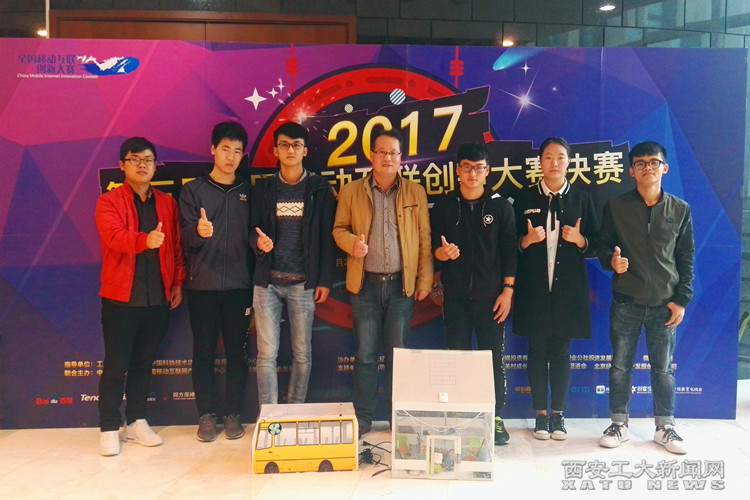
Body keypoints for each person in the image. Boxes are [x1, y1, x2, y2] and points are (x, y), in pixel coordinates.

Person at [332, 128, 433, 437]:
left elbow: (425, 240)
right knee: (365, 355)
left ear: (401, 158)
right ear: (371, 156)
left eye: (394, 153)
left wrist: (424, 280)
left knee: (398, 356)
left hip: (402, 286)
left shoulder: (415, 192)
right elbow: (338, 229)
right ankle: (363, 418)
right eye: (382, 152)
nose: (388, 158)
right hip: (365, 286)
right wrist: (351, 244)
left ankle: (396, 416)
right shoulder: (352, 191)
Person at [597, 141, 694, 455]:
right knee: (620, 366)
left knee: (662, 369)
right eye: (640, 163)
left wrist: (682, 300)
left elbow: (686, 257)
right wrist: (611, 262)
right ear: (631, 171)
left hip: (664, 304)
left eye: (654, 162)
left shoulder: (679, 209)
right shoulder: (616, 206)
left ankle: (665, 427)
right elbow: (602, 246)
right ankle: (619, 424)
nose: (647, 168)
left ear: (665, 167)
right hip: (626, 300)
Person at [95, 137, 185, 456]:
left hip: (157, 297)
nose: (142, 165)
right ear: (122, 165)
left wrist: (177, 282)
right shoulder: (108, 202)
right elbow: (114, 237)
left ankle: (135, 421)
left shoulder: (167, 203)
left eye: (148, 159)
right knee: (116, 365)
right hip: (121, 299)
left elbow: (175, 246)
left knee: (143, 364)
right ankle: (108, 426)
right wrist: (144, 241)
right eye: (135, 159)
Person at [430, 142, 517, 446]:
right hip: (454, 297)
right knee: (457, 359)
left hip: (491, 297)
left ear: (487, 171)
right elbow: (431, 247)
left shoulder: (501, 207)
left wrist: (507, 291)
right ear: (457, 170)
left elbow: (509, 251)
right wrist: (441, 254)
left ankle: (495, 417)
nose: (472, 174)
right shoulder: (444, 206)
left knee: (492, 359)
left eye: (478, 168)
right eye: (466, 167)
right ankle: (459, 415)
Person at [512, 137, 598, 441]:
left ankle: (558, 415)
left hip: (568, 291)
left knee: (561, 352)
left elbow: (597, 244)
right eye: (548, 157)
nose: (554, 163)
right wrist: (526, 241)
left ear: (569, 162)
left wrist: (579, 240)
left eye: (560, 157)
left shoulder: (582, 198)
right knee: (536, 351)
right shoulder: (523, 198)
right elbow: (509, 244)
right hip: (534, 289)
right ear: (540, 162)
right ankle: (540, 415)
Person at [250, 122, 337, 405]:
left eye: (296, 145)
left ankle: (294, 410)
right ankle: (269, 415)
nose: (290, 150)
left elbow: (328, 237)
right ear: (275, 150)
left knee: (302, 352)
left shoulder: (319, 188)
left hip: (303, 283)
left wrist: (324, 280)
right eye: (284, 145)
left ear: (305, 151)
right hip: (267, 282)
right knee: (266, 353)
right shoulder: (264, 188)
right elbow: (251, 230)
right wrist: (257, 242)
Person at [179, 121, 253, 442]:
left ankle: (233, 413)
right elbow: (183, 237)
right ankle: (206, 415)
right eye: (225, 149)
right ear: (213, 150)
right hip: (202, 287)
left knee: (238, 353)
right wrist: (198, 232)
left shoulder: (248, 192)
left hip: (240, 287)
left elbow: (256, 234)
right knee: (204, 352)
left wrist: (261, 243)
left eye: (237, 151)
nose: (231, 157)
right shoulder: (193, 190)